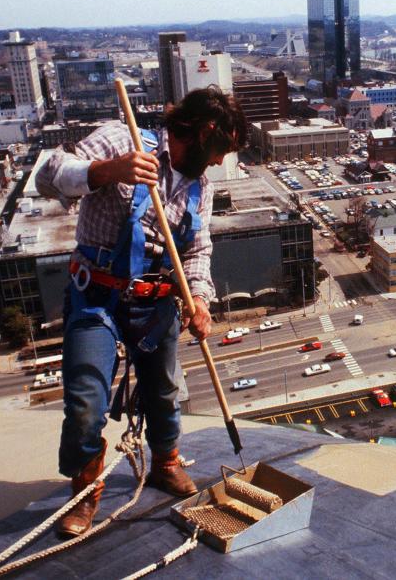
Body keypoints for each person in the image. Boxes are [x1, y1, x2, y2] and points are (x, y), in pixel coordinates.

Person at [35, 87, 247, 538]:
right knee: (85, 404)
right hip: (98, 298)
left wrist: (200, 299)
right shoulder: (121, 140)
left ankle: (165, 463)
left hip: (153, 304)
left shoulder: (198, 188)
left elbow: (197, 249)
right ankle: (86, 484)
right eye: (218, 151)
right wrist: (106, 171)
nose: (216, 163)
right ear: (204, 131)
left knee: (165, 393)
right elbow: (49, 176)